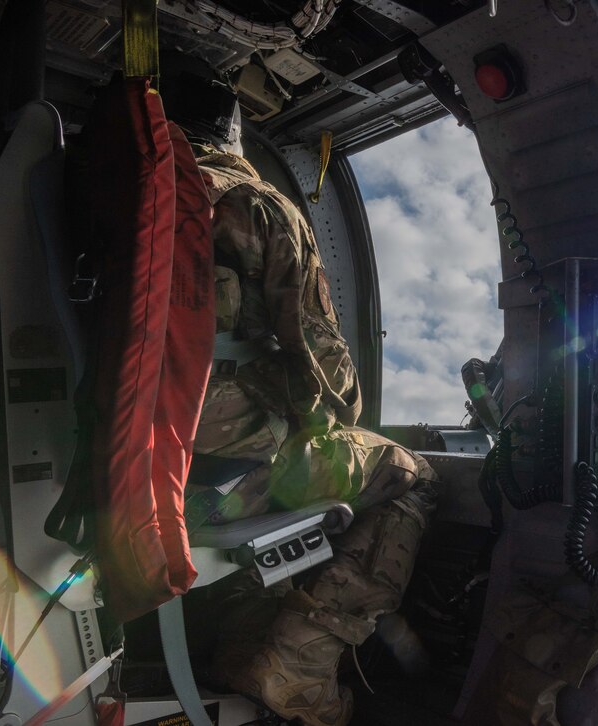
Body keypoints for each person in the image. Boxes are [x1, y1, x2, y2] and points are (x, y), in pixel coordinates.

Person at [161, 66, 438, 726]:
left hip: (127, 472)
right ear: (232, 133)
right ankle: (298, 666)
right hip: (223, 477)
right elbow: (329, 372)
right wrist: (331, 415)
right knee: (412, 476)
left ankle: (235, 637)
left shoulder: (114, 202)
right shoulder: (252, 202)